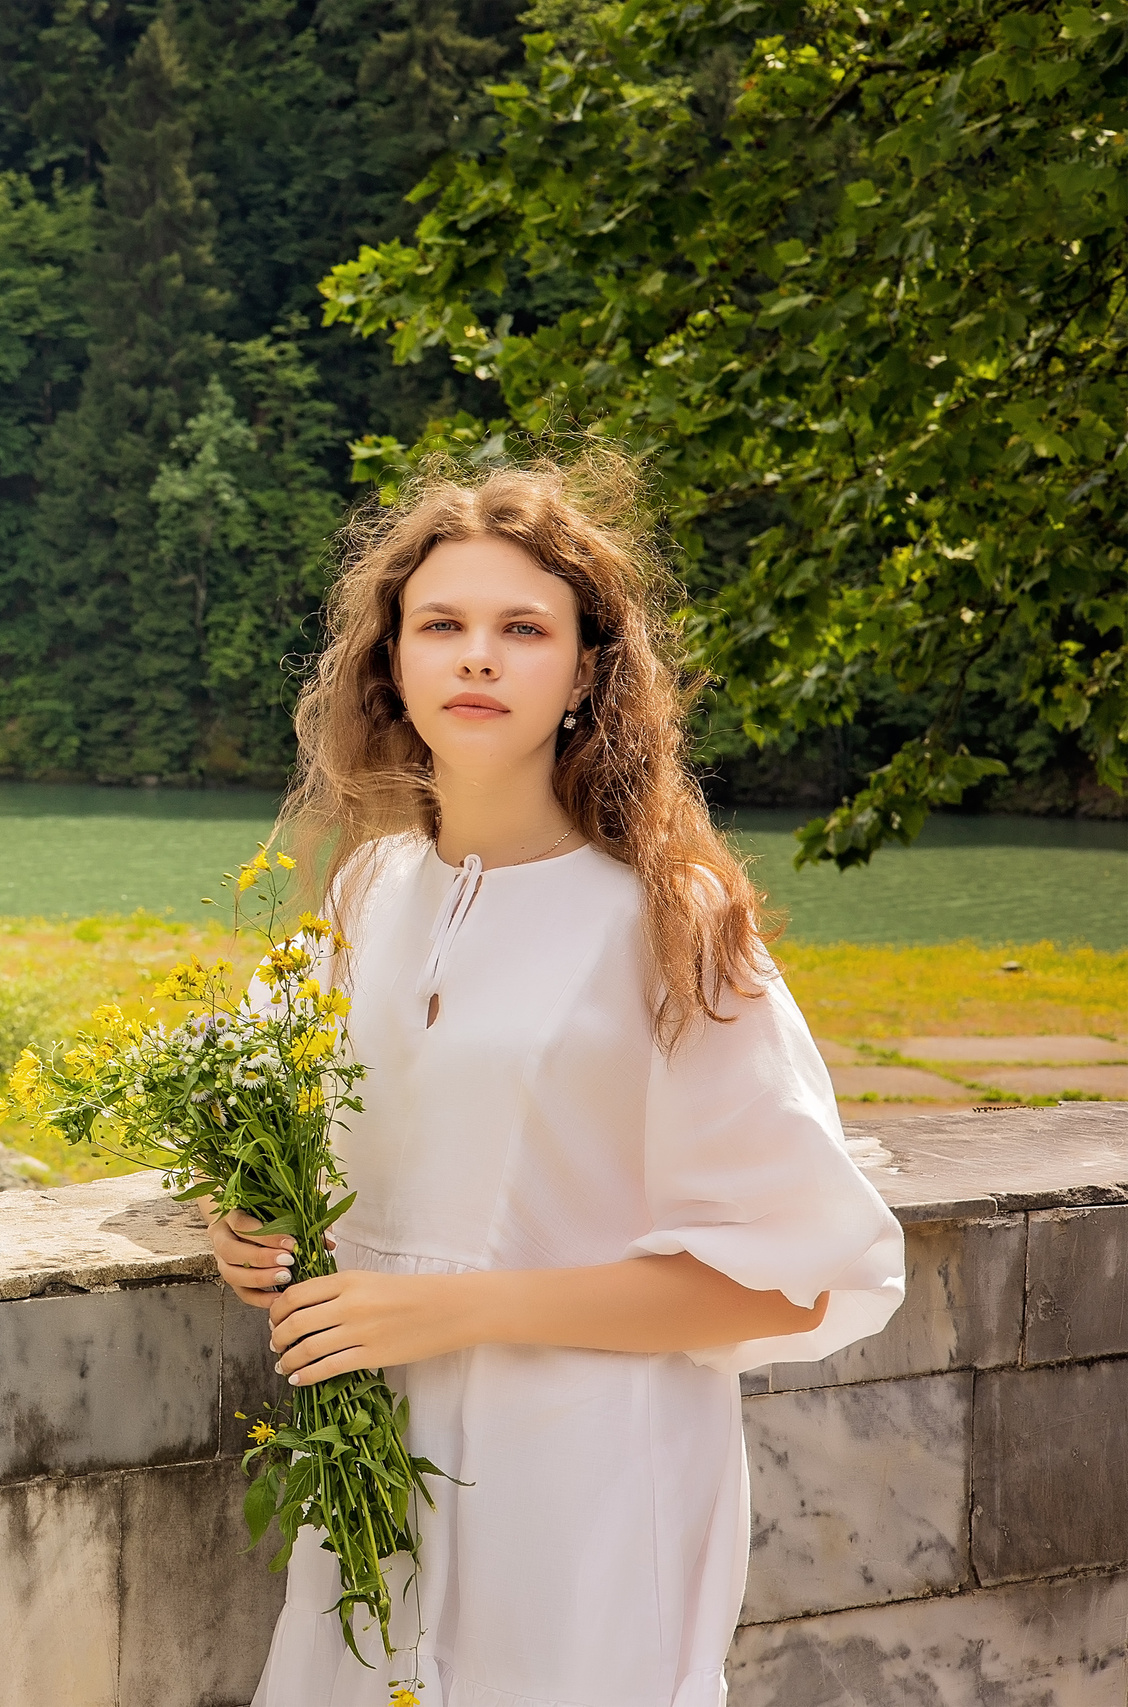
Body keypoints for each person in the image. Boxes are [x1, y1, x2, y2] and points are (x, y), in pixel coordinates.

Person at [212, 456, 903, 1707]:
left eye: (522, 629)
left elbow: (791, 1285)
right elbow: (264, 1128)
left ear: (586, 672)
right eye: (442, 626)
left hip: (588, 1484)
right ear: (391, 664)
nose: (477, 658)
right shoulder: (365, 893)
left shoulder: (669, 922)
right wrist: (241, 1220)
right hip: (374, 1476)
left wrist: (456, 1310)